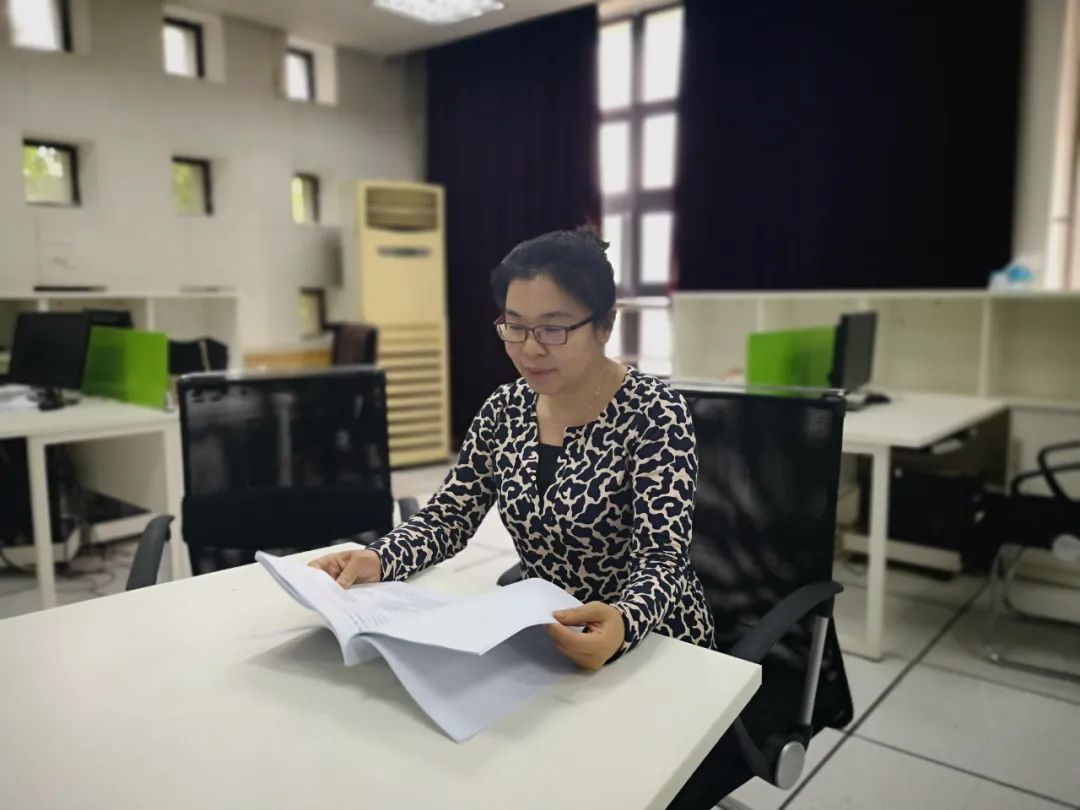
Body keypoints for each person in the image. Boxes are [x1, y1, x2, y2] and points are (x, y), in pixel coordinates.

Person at [309, 227, 716, 669]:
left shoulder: (654, 411)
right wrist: (378, 557)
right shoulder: (506, 408)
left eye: (553, 329)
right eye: (515, 327)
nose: (530, 350)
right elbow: (449, 517)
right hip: (546, 635)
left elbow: (661, 557)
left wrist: (624, 621)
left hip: (654, 641)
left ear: (605, 325)